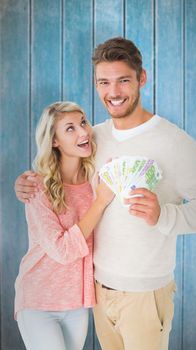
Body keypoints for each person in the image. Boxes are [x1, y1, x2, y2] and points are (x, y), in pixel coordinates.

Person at [15, 38, 196, 350]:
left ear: (142, 78)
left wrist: (164, 215)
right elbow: (62, 177)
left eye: (123, 80)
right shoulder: (94, 138)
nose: (113, 92)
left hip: (144, 293)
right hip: (97, 292)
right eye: (104, 82)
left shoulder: (174, 141)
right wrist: (26, 182)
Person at [14, 101, 114, 350]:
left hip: (77, 303)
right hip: (39, 300)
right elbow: (63, 250)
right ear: (54, 141)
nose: (83, 132)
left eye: (83, 123)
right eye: (70, 128)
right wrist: (100, 202)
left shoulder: (95, 181)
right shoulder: (38, 187)